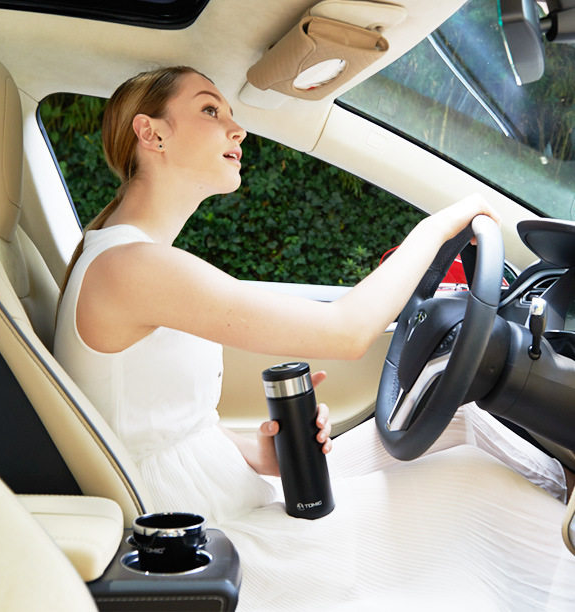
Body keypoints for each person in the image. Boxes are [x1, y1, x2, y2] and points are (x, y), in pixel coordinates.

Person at [53, 66, 575, 610]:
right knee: (475, 483)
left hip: (227, 491)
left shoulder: (126, 257)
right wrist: (439, 227)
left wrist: (260, 453)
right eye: (210, 109)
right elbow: (346, 331)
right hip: (211, 542)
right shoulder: (132, 268)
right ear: (152, 133)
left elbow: (160, 427)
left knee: (463, 423)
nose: (237, 128)